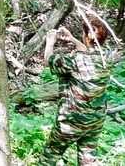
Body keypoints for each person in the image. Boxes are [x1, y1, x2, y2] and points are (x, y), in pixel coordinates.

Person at [39, 19, 114, 166]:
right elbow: (88, 51)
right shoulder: (108, 55)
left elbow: (48, 60)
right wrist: (72, 39)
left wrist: (50, 42)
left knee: (50, 155)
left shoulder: (74, 61)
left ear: (87, 36)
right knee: (89, 160)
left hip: (72, 120)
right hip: (95, 120)